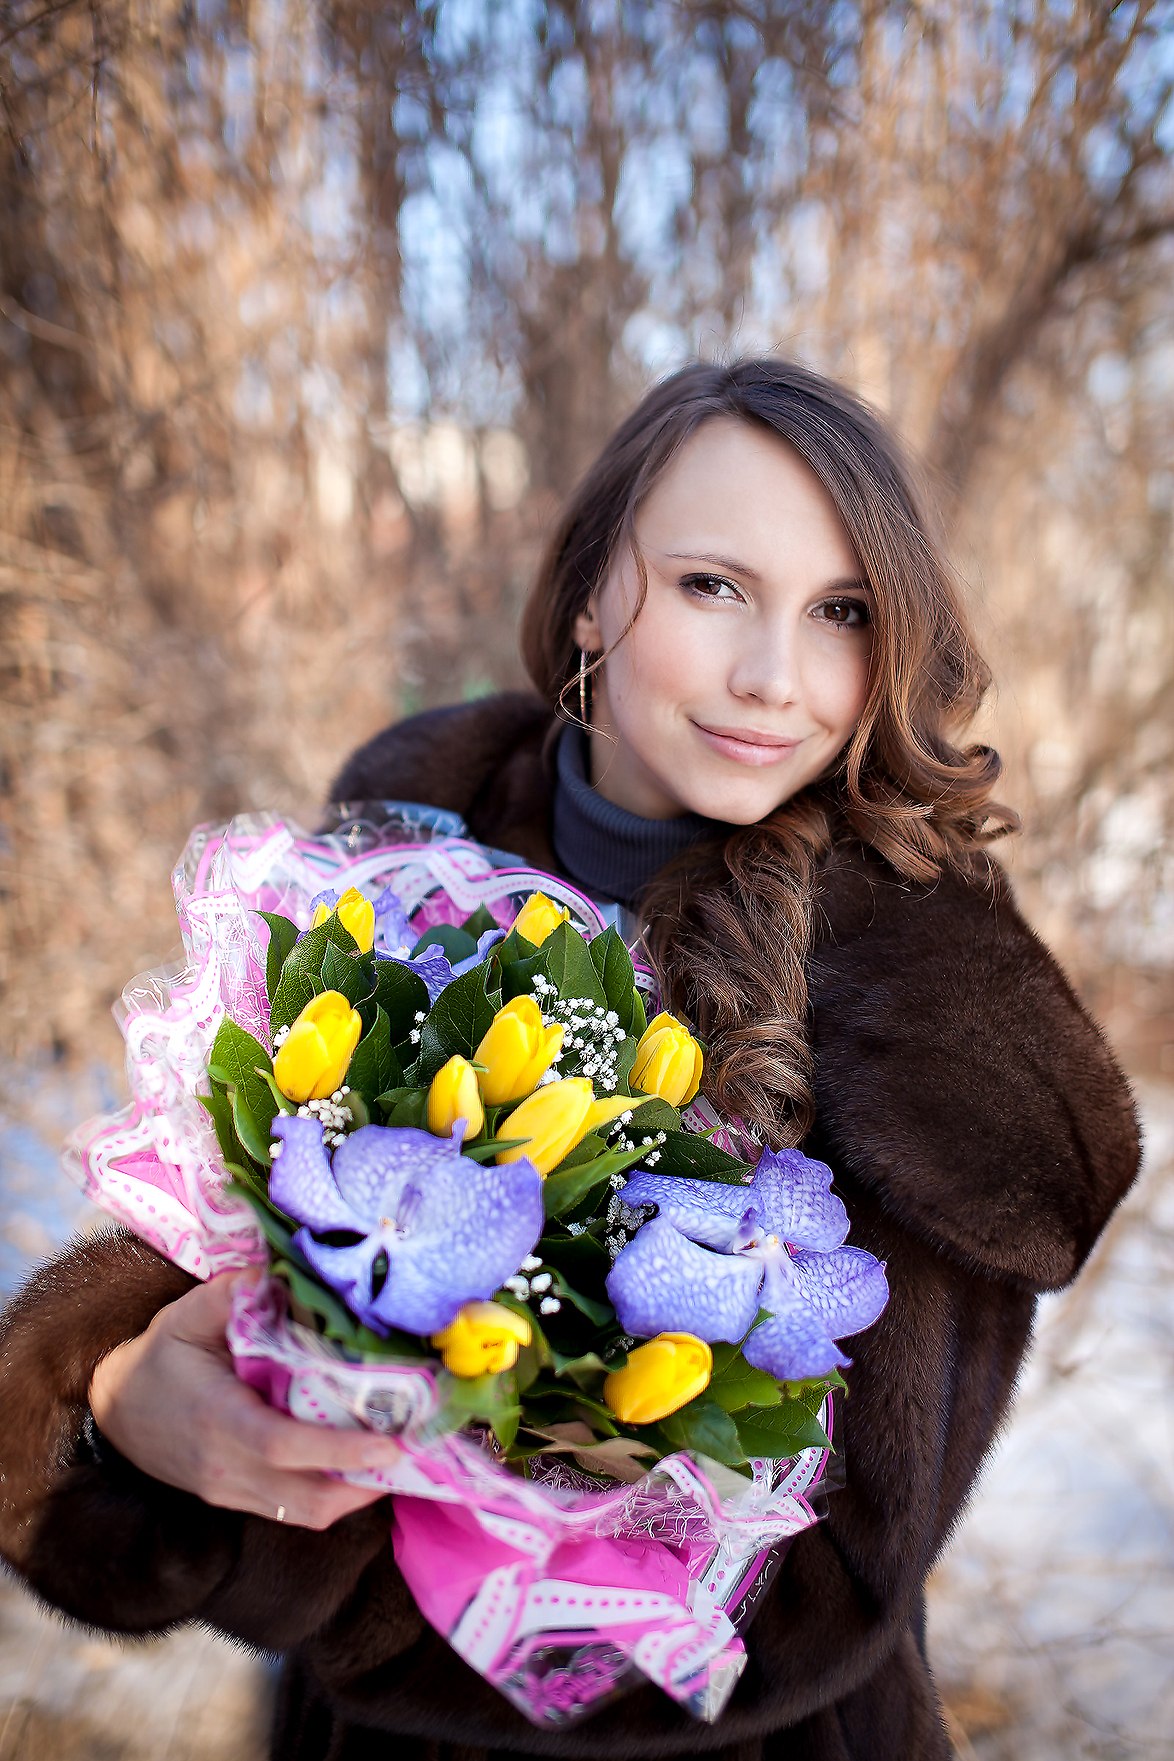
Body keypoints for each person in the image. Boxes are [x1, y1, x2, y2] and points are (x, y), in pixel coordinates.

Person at [0, 359, 1140, 1761]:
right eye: (713, 585)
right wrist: (111, 1394)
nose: (774, 676)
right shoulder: (408, 843)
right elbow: (233, 1231)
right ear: (595, 593)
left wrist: (268, 1528)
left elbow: (808, 1596)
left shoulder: (920, 1008)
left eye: (841, 611)